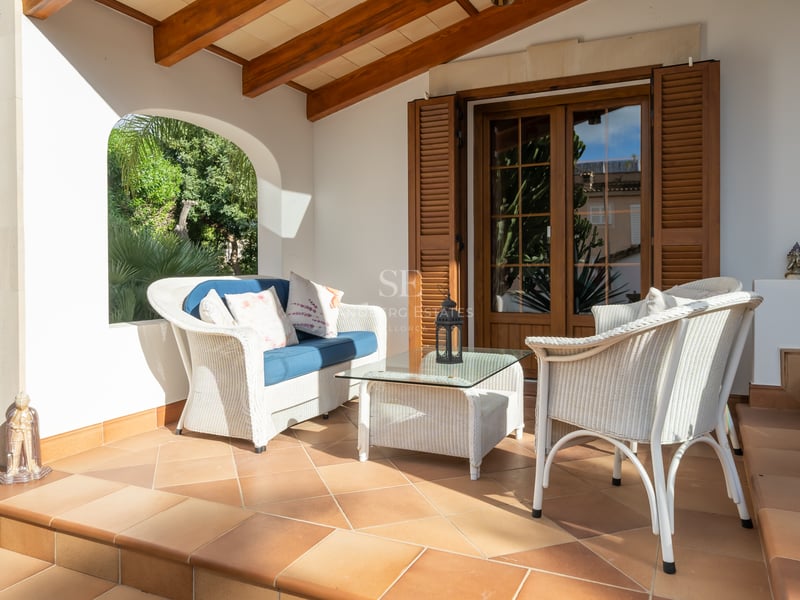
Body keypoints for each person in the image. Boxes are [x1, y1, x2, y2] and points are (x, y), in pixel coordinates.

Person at [3, 392, 43, 482]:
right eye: (18, 400)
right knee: (15, 452)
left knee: (30, 451)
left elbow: (34, 424)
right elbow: (9, 424)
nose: (21, 402)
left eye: (23, 400)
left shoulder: (31, 412)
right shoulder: (13, 413)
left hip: (28, 434)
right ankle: (13, 468)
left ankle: (32, 465)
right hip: (16, 433)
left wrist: (27, 425)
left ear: (28, 401)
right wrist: (16, 427)